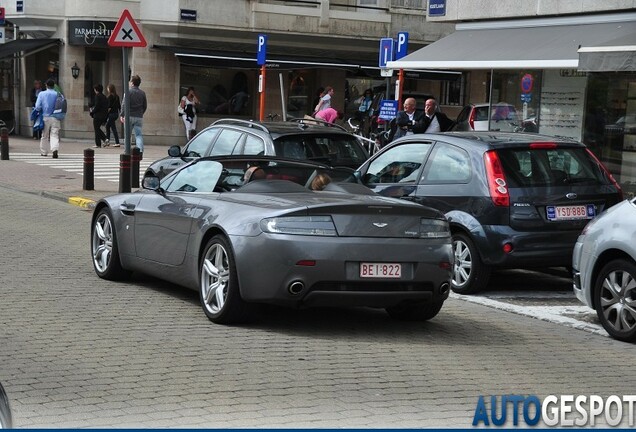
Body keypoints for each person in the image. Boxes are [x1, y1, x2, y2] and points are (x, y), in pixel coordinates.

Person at [120, 74, 148, 154]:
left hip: (129, 116)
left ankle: (127, 151)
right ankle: (140, 150)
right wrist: (141, 112)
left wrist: (122, 114)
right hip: (139, 116)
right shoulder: (142, 93)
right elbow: (145, 105)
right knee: (138, 135)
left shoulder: (128, 92)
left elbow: (124, 104)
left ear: (132, 82)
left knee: (127, 135)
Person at [34, 79, 62, 158]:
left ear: (46, 85)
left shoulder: (41, 94)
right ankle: (54, 149)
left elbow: (38, 107)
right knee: (54, 134)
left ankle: (44, 152)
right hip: (56, 117)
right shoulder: (58, 94)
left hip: (45, 117)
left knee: (44, 135)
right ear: (54, 86)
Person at [90, 84, 108, 148]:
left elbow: (97, 105)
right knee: (97, 128)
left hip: (98, 115)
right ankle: (105, 139)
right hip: (103, 115)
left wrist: (92, 112)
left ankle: (98, 143)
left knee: (96, 129)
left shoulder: (97, 96)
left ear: (96, 90)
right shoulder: (104, 96)